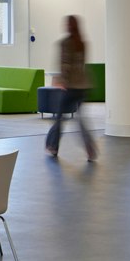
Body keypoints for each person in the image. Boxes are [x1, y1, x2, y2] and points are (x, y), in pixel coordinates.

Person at [46, 15, 97, 160]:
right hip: (83, 86)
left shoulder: (65, 43)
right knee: (81, 120)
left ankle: (53, 146)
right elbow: (81, 65)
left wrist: (62, 81)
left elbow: (66, 64)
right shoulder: (82, 42)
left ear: (68, 26)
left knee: (60, 117)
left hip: (70, 87)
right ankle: (90, 149)